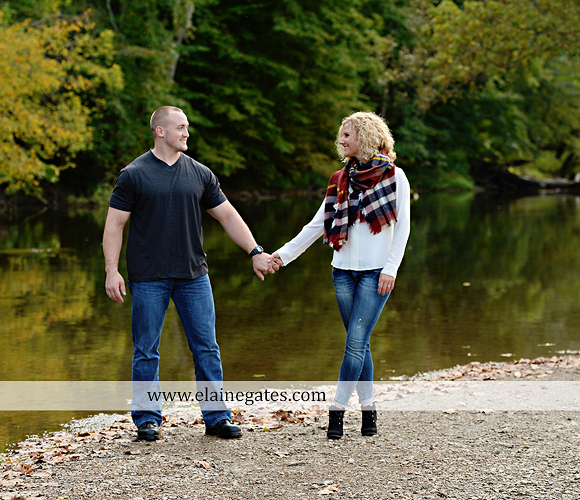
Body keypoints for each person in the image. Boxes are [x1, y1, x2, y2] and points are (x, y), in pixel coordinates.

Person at [103, 106, 276, 441]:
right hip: (149, 276)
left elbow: (227, 216)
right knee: (146, 349)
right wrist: (112, 270)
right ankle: (147, 419)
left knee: (206, 347)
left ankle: (216, 418)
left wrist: (255, 251)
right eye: (180, 128)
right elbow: (115, 225)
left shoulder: (199, 173)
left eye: (187, 128)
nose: (186, 134)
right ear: (160, 131)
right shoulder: (134, 174)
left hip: (193, 276)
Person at [271, 111, 410, 439]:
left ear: (364, 136)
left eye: (347, 134)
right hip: (342, 273)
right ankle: (369, 411)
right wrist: (282, 256)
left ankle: (336, 410)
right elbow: (317, 224)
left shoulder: (394, 176)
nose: (341, 140)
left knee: (355, 342)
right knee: (358, 344)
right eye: (341, 135)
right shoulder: (340, 179)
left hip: (377, 273)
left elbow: (403, 227)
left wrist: (391, 268)